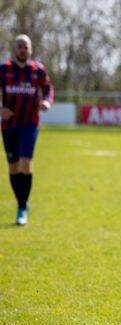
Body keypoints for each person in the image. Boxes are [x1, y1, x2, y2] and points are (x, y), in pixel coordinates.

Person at [0, 34, 53, 225]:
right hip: (8, 124)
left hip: (30, 122)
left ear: (31, 49)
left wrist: (47, 100)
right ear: (15, 49)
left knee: (25, 162)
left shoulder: (37, 70)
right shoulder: (4, 69)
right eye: (20, 46)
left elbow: (48, 88)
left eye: (26, 46)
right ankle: (22, 202)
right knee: (13, 166)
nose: (23, 49)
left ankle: (22, 208)